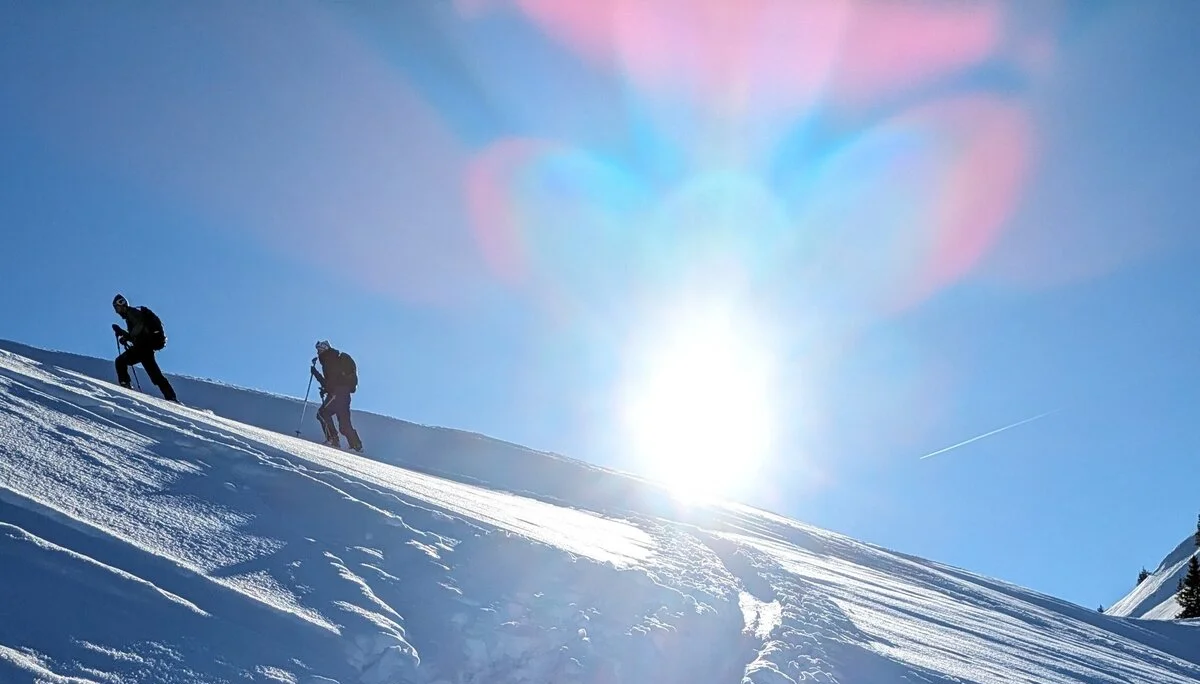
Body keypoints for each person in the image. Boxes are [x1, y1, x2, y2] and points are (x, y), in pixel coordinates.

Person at [111, 294, 178, 402]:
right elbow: (137, 334)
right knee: (155, 374)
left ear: (122, 304)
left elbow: (138, 330)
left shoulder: (132, 313)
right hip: (144, 348)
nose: (117, 311)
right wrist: (123, 334)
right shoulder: (132, 315)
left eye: (117, 308)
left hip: (142, 348)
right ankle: (171, 397)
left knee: (120, 362)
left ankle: (125, 385)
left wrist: (125, 335)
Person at [312, 340, 362, 451]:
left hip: (337, 394)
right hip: (344, 395)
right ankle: (357, 446)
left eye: (319, 350)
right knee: (344, 425)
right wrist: (326, 388)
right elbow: (332, 382)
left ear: (324, 349)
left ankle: (333, 439)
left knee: (322, 413)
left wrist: (316, 374)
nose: (318, 353)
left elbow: (330, 383)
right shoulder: (335, 358)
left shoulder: (329, 360)